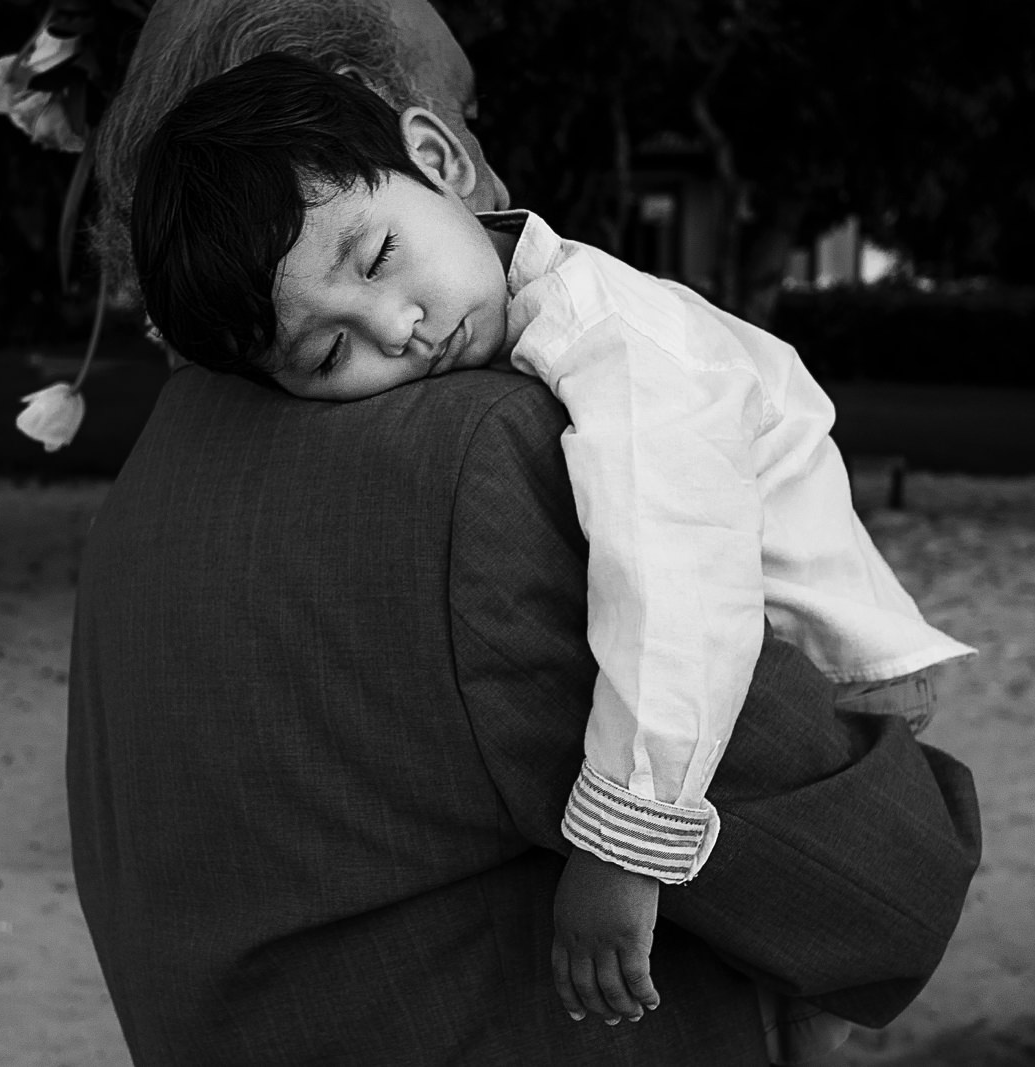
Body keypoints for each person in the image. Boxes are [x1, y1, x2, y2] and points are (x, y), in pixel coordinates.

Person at [127, 53, 978, 1061]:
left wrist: (624, 842)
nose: (398, 329)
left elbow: (675, 581)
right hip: (752, 665)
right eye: (324, 355)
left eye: (377, 257)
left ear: (437, 159)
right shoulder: (494, 368)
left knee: (797, 993)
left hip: (818, 667)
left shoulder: (617, 343)